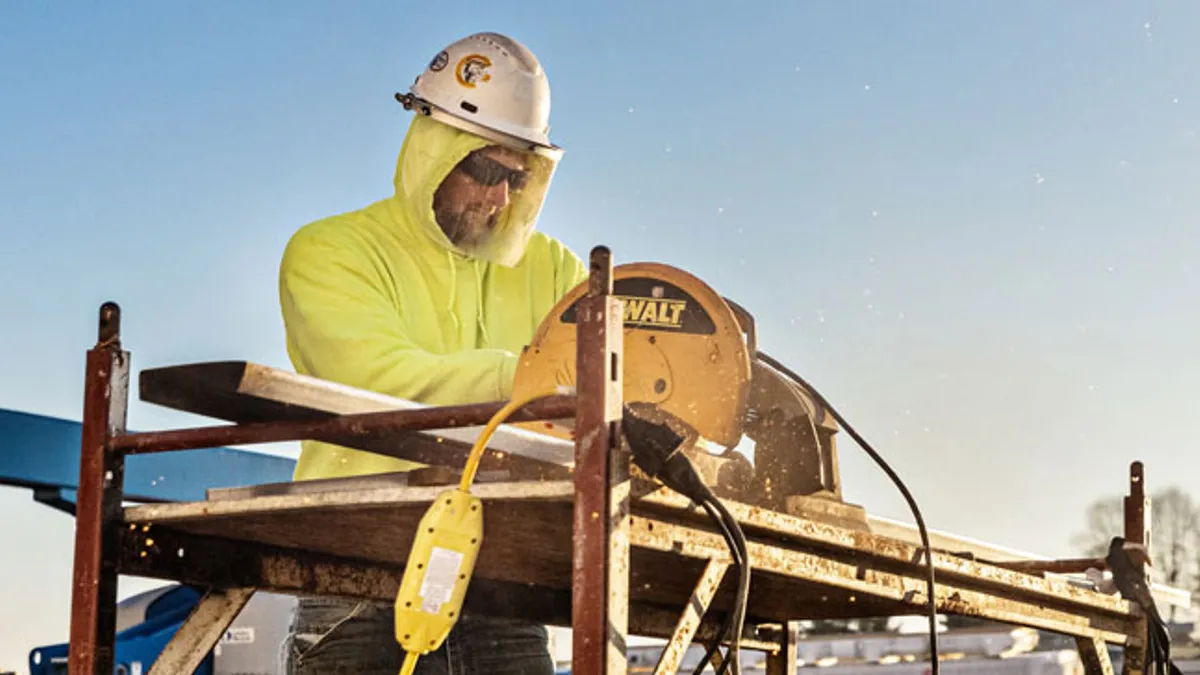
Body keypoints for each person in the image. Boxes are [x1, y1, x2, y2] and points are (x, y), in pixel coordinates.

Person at [277, 31, 588, 675]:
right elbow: (376, 380)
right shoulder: (329, 252)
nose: (500, 198)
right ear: (433, 149)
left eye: (516, 176)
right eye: (484, 169)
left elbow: (599, 382)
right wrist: (534, 376)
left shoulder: (553, 268)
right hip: (358, 564)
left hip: (507, 570)